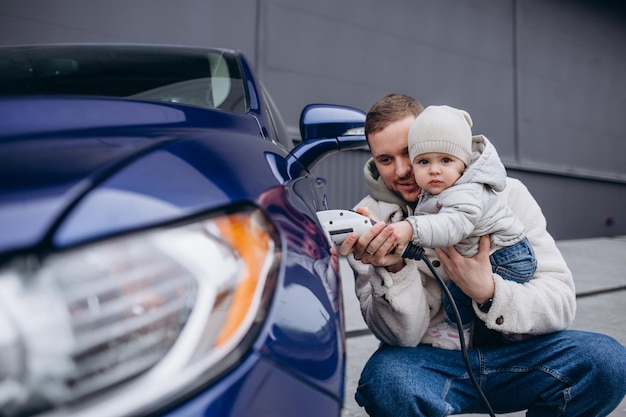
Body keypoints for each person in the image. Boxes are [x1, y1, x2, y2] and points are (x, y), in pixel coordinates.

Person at [338, 93, 626, 416]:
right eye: (385, 159)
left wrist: (489, 293)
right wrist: (394, 269)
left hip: (521, 359)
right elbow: (399, 338)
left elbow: (560, 301)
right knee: (386, 381)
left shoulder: (507, 194)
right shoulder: (370, 224)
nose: (403, 170)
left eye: (409, 151)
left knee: (608, 362)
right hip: (436, 364)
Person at [390, 104, 537, 350]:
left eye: (446, 160)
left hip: (507, 256)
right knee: (459, 286)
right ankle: (513, 334)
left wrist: (410, 228)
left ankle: (457, 332)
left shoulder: (467, 191)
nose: (434, 169)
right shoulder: (441, 189)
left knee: (457, 293)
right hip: (500, 254)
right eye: (424, 161)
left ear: (464, 163)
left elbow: (453, 225)